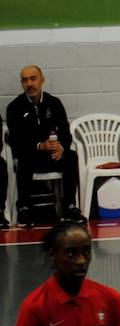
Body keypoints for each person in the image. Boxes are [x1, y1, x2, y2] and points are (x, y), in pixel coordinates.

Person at [6, 66, 81, 226]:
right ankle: (24, 209)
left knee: (71, 157)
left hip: (53, 155)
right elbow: (16, 139)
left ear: (42, 80)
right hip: (31, 156)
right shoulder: (14, 107)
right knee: (23, 160)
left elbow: (66, 133)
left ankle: (69, 207)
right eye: (25, 80)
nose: (29, 84)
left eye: (33, 79)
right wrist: (40, 146)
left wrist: (61, 147)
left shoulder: (54, 103)